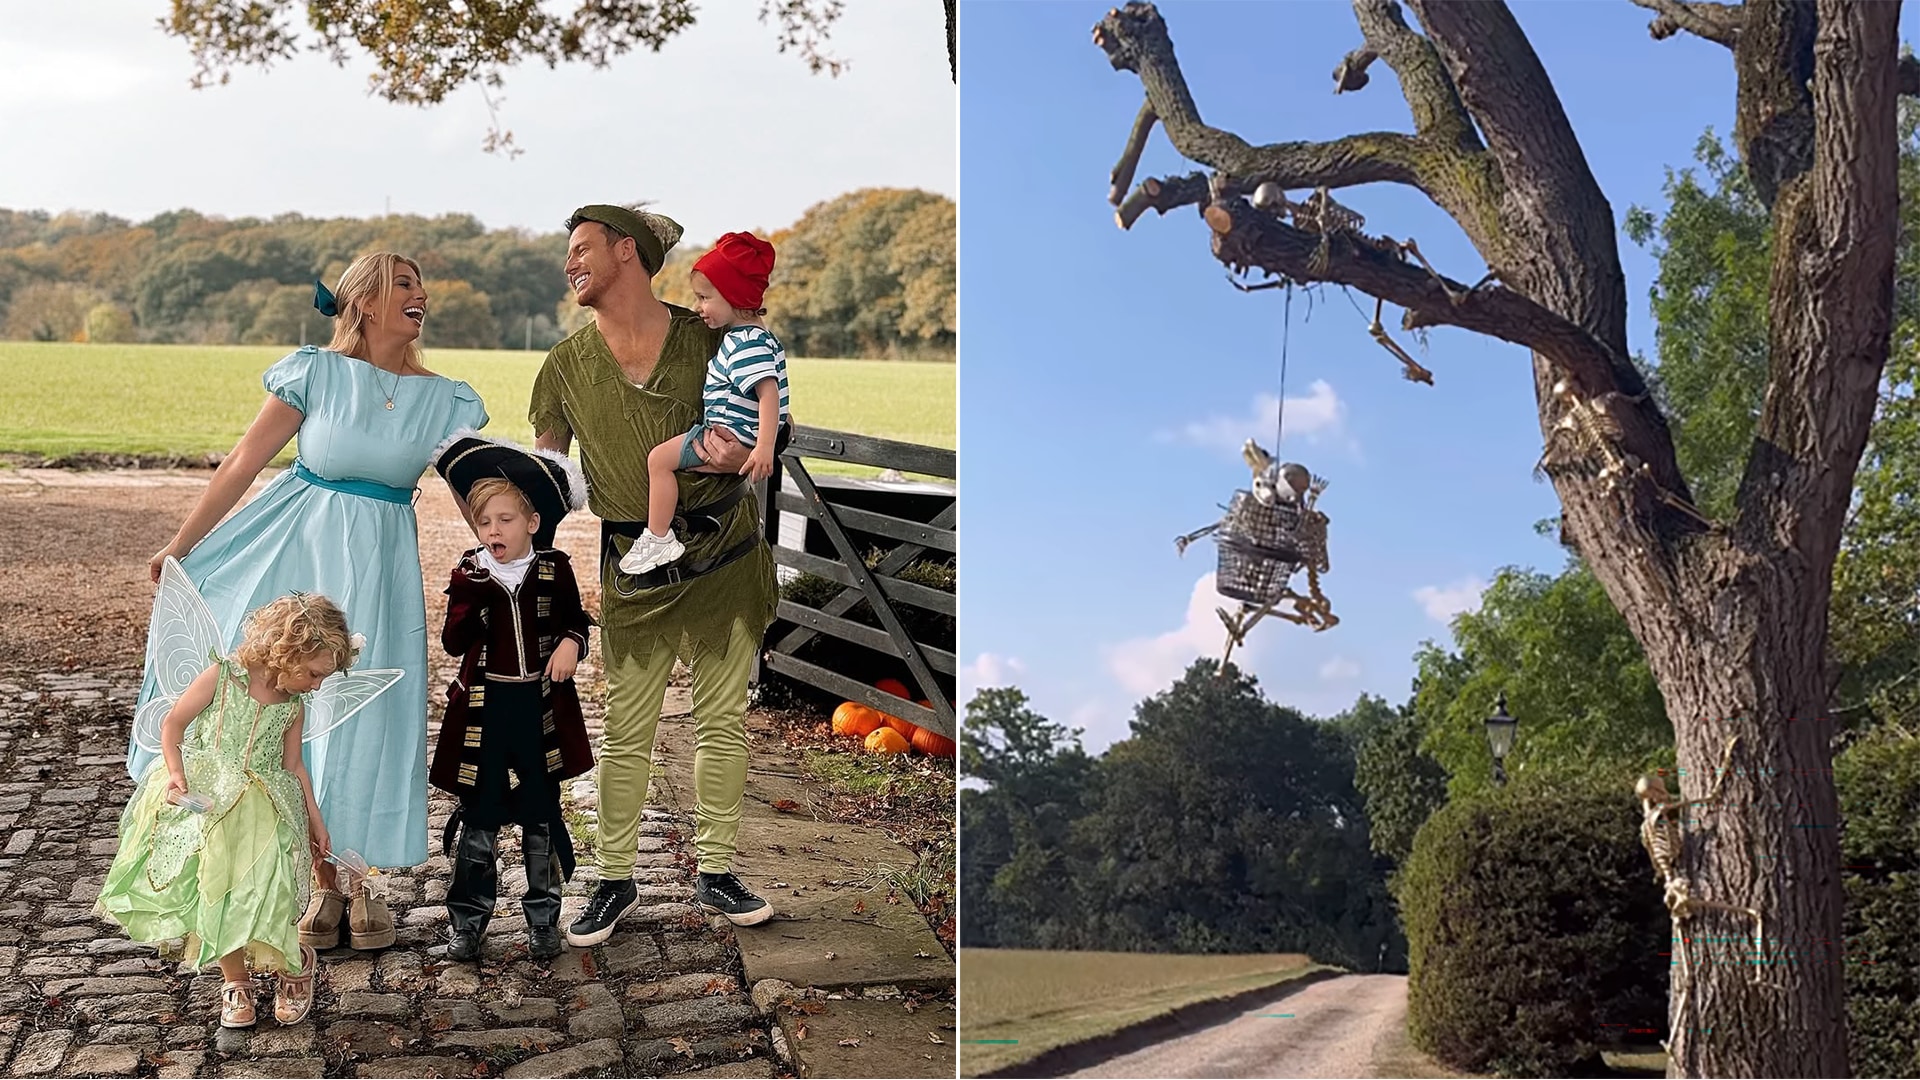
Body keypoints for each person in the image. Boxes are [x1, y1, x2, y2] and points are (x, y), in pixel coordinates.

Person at [133, 252, 490, 952]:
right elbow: (244, 461)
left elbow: (473, 495)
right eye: (404, 284)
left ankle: (360, 880)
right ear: (364, 302)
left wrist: (518, 567)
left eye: (420, 284)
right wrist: (181, 544)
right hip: (296, 555)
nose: (421, 294)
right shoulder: (315, 373)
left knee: (370, 713)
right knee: (294, 707)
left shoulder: (446, 400)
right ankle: (323, 883)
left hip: (383, 569)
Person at [532, 203, 782, 946]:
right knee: (626, 732)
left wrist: (752, 451)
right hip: (634, 568)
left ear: (626, 252)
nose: (570, 264)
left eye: (583, 248)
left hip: (726, 558)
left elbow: (773, 410)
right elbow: (545, 480)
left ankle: (717, 871)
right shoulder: (563, 366)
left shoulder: (711, 335)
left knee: (721, 722)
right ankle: (614, 878)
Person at [96, 594, 357, 1028]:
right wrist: (176, 774)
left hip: (267, 805)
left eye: (322, 678)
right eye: (314, 674)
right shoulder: (223, 677)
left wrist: (316, 819)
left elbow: (294, 766)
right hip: (213, 800)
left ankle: (294, 963)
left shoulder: (293, 706)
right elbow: (173, 724)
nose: (316, 686)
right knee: (218, 891)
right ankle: (235, 982)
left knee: (270, 889)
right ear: (288, 650)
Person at [427, 437, 594, 963]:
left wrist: (572, 643)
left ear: (532, 523)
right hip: (485, 710)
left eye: (504, 520)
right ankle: (467, 922)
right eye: (484, 523)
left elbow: (576, 620)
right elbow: (453, 641)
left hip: (539, 710)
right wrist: (471, 593)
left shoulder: (553, 568)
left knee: (542, 813)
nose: (493, 531)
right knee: (480, 814)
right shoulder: (470, 573)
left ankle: (543, 918)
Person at [619, 231, 790, 575]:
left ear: (733, 295)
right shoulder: (754, 337)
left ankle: (659, 537)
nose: (698, 307)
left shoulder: (746, 343)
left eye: (704, 297)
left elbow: (769, 394)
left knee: (658, 460)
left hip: (731, 436)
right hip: (734, 435)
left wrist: (763, 448)